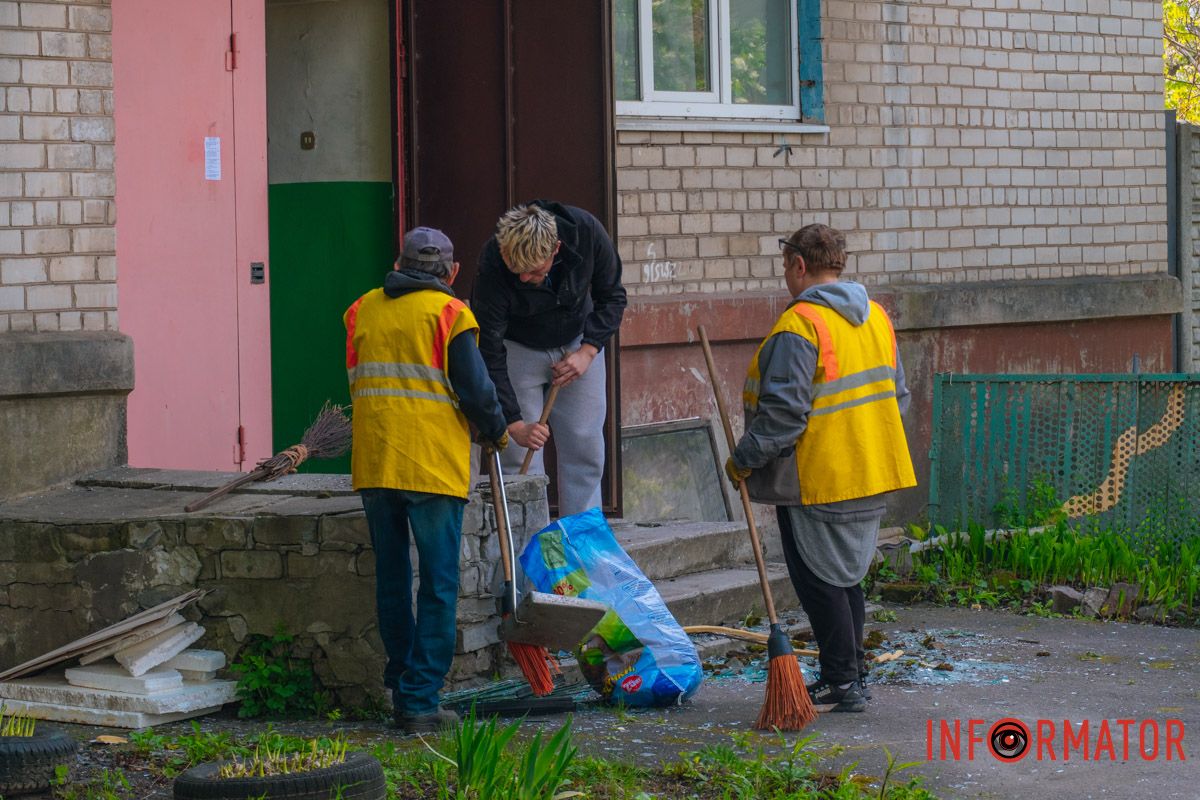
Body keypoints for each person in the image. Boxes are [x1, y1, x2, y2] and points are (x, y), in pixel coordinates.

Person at [725, 223, 916, 712]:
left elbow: (785, 417)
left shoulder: (800, 326)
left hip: (820, 477)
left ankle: (843, 683)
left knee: (820, 581)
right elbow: (900, 398)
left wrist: (743, 459)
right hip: (871, 470)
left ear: (799, 265)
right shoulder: (876, 318)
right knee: (846, 578)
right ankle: (849, 674)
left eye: (785, 267)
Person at [344, 227, 509, 733]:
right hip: (432, 467)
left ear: (399, 263)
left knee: (392, 579)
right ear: (451, 272)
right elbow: (477, 393)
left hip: (375, 463)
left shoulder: (360, 310)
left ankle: (401, 688)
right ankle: (421, 700)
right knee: (437, 584)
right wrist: (497, 431)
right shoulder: (451, 315)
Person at [472, 201, 626, 515]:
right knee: (518, 454)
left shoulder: (586, 231)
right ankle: (529, 548)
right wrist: (513, 424)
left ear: (556, 248)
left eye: (535, 271)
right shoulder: (492, 263)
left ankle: (579, 544)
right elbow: (489, 348)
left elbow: (613, 296)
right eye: (518, 273)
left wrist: (588, 351)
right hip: (518, 346)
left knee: (585, 447)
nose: (525, 279)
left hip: (578, 341)